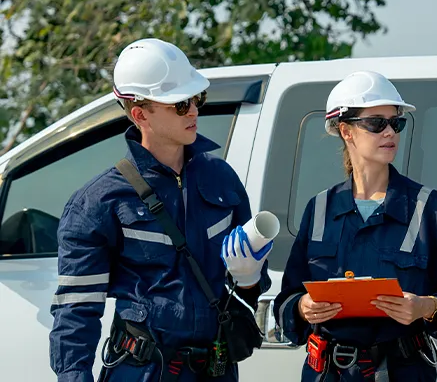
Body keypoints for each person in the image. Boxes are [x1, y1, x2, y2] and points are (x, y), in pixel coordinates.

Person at [49, 38, 271, 382]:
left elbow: (249, 290)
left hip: (216, 370)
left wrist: (250, 278)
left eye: (197, 99)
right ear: (140, 114)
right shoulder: (98, 202)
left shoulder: (221, 179)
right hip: (143, 372)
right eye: (180, 105)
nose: (195, 110)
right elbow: (76, 310)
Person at [273, 71, 437, 381]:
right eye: (376, 123)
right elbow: (287, 300)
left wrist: (426, 307)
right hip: (328, 373)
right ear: (346, 131)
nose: (390, 132)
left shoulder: (427, 207)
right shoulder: (318, 209)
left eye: (395, 123)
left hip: (402, 371)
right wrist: (302, 308)